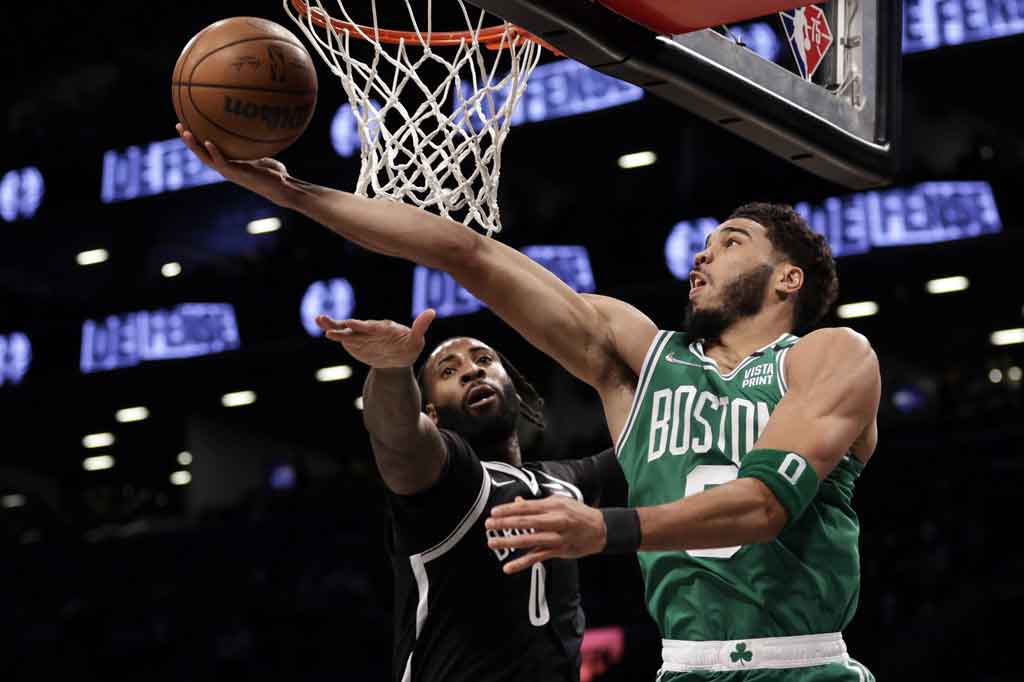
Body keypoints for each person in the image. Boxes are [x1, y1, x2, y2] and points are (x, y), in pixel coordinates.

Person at [176, 125, 881, 681]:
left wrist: (601, 528)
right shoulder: (638, 361)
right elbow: (468, 254)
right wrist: (294, 193)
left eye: (729, 244)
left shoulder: (829, 356)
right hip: (684, 669)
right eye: (703, 244)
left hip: (803, 666)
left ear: (788, 278)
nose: (702, 257)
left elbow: (763, 506)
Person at [312, 308, 625, 682]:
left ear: (513, 387)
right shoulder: (451, 480)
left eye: (484, 360)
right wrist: (391, 370)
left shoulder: (565, 480)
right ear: (432, 415)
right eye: (449, 371)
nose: (472, 371)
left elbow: (651, 446)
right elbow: (399, 438)